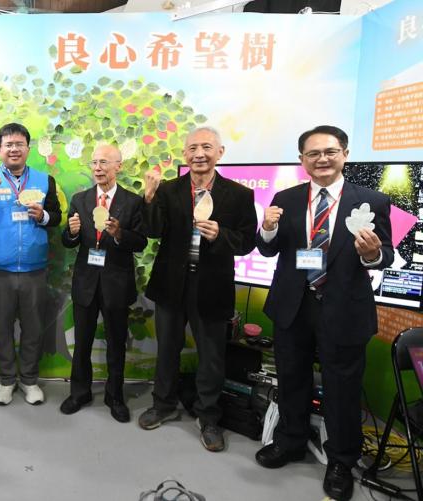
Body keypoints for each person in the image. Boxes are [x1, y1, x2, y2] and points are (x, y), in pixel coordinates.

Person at [254, 125, 393, 500]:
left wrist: (372, 254)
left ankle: (341, 461)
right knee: (291, 379)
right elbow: (268, 250)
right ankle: (290, 441)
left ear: (345, 154)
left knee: (342, 389)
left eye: (330, 151)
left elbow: (386, 254)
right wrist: (267, 229)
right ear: (302, 160)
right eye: (313, 153)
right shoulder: (286, 198)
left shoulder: (372, 201)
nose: (322, 159)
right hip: (293, 306)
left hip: (344, 309)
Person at [138, 126, 257, 452]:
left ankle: (209, 418)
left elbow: (247, 242)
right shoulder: (168, 190)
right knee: (167, 350)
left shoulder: (239, 195)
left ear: (220, 152)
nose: (199, 154)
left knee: (212, 357)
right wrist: (148, 198)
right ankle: (163, 404)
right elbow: (152, 231)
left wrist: (221, 235)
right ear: (185, 154)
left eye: (206, 147)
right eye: (192, 148)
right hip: (170, 285)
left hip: (213, 286)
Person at [0, 123, 62, 406]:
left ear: (28, 149)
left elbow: (56, 216)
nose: (14, 149)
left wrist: (43, 215)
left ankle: (30, 381)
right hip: (0, 270)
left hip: (34, 269)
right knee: (3, 327)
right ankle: (6, 380)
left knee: (33, 328)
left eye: (19, 144)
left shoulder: (45, 180)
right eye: (8, 144)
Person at [59, 144, 147, 423]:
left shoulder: (132, 202)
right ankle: (79, 393)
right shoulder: (80, 199)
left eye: (104, 162)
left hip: (117, 283)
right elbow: (68, 240)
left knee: (116, 344)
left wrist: (120, 233)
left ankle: (115, 396)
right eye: (94, 162)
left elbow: (141, 242)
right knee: (82, 343)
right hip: (85, 282)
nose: (98, 168)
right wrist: (71, 233)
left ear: (118, 166)